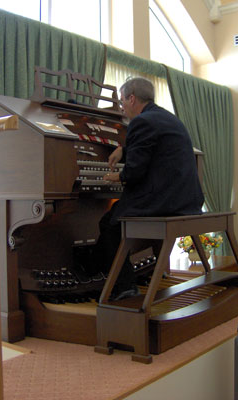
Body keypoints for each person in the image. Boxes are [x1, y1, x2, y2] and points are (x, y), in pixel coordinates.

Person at [90, 77, 204, 300]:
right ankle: (116, 275)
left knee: (109, 224)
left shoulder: (141, 122)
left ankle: (123, 285)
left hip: (163, 201)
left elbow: (134, 173)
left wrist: (116, 176)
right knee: (115, 218)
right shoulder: (166, 117)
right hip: (185, 198)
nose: (122, 108)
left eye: (122, 102)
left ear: (132, 98)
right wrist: (123, 148)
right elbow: (152, 145)